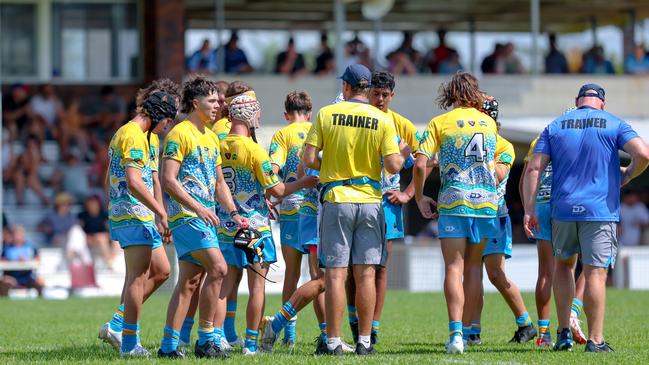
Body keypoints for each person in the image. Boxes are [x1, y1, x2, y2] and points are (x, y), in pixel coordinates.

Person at [523, 83, 649, 352]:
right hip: (599, 211)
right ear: (602, 103)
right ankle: (595, 339)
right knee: (595, 273)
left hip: (563, 209)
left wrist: (530, 208)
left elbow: (534, 167)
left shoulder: (556, 125)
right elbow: (643, 154)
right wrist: (627, 175)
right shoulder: (613, 122)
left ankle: (563, 333)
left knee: (564, 267)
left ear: (578, 101)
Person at [301, 64, 403, 355]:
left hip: (337, 198)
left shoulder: (326, 114)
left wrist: (331, 164)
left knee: (335, 274)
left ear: (345, 87)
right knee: (367, 274)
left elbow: (308, 158)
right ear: (368, 89)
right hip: (370, 200)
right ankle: (365, 341)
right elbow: (394, 165)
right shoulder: (382, 119)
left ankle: (333, 341)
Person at [213, 93, 317, 356]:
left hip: (226, 225)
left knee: (224, 286)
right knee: (256, 286)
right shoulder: (254, 150)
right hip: (255, 228)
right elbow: (278, 190)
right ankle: (250, 345)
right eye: (257, 113)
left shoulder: (218, 145)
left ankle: (215, 337)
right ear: (248, 115)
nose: (259, 117)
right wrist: (304, 183)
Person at [158, 77, 248, 359]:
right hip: (187, 216)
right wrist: (199, 208)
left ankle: (169, 346)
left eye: (219, 101)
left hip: (204, 217)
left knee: (189, 282)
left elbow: (220, 183)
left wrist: (234, 213)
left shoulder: (210, 136)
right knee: (219, 268)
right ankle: (207, 338)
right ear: (195, 103)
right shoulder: (179, 134)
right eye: (212, 101)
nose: (219, 105)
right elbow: (168, 180)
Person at [413, 72, 499, 355]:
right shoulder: (489, 123)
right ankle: (472, 328)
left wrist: (418, 195)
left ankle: (456, 336)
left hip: (454, 200)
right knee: (474, 269)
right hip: (486, 202)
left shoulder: (440, 122)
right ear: (476, 92)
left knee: (453, 268)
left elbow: (420, 162)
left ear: (451, 93)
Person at [97, 79, 179, 357]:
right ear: (157, 115)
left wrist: (158, 213)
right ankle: (130, 345)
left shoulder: (150, 138)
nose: (167, 126)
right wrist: (160, 211)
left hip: (142, 213)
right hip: (132, 212)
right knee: (137, 276)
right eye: (167, 120)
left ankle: (118, 325)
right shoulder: (131, 134)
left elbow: (149, 177)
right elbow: (132, 181)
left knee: (162, 270)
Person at [345, 71, 420, 345]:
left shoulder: (402, 124)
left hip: (387, 203)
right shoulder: (359, 118)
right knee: (353, 265)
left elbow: (425, 161)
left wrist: (408, 193)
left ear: (392, 96)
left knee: (380, 266)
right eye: (374, 94)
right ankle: (354, 318)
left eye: (384, 95)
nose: (379, 99)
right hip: (357, 198)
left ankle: (372, 327)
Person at [461, 95, 536, 346]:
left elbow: (498, 175)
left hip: (494, 216)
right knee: (472, 274)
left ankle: (525, 323)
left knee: (494, 273)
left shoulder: (502, 144)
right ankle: (472, 330)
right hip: (471, 213)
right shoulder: (469, 141)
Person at [520, 107, 588, 347]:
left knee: (546, 272)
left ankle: (544, 334)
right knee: (578, 267)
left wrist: (529, 209)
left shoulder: (543, 137)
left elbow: (527, 176)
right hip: (564, 205)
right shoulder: (579, 139)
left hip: (541, 205)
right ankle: (570, 316)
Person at [265, 91, 314, 346]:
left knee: (292, 274)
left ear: (286, 114)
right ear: (310, 112)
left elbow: (272, 171)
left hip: (292, 208)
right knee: (318, 276)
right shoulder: (319, 129)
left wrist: (273, 196)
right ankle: (327, 333)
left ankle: (289, 334)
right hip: (315, 208)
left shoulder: (282, 135)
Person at [0, 225, 45, 297]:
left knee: (40, 282)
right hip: (12, 275)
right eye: (16, 235)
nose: (18, 237)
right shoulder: (7, 248)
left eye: (20, 235)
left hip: (27, 276)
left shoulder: (30, 247)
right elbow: (2, 261)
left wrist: (27, 261)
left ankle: (41, 301)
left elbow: (38, 260)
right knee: (5, 283)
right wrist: (14, 262)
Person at [78, 195, 116, 269]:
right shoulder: (83, 216)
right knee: (101, 238)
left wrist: (107, 235)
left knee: (116, 240)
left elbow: (109, 229)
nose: (93, 206)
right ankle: (109, 261)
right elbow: (79, 231)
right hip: (90, 239)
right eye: (91, 204)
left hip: (104, 237)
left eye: (94, 204)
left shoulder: (104, 215)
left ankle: (112, 259)